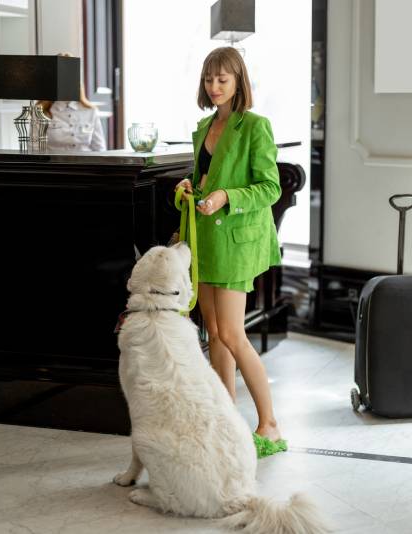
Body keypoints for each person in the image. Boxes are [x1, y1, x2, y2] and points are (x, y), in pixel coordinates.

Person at [175, 47, 285, 455]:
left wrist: (226, 196)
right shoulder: (204, 126)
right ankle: (226, 419)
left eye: (223, 79)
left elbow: (270, 187)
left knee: (234, 334)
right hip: (205, 241)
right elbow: (201, 178)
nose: (215, 86)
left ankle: (270, 425)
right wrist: (187, 188)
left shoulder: (255, 126)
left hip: (237, 242)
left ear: (239, 81)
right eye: (208, 79)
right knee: (215, 334)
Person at [38, 75, 106, 152]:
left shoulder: (91, 111)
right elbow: (35, 149)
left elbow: (99, 148)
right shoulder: (42, 112)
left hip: (86, 162)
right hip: (56, 163)